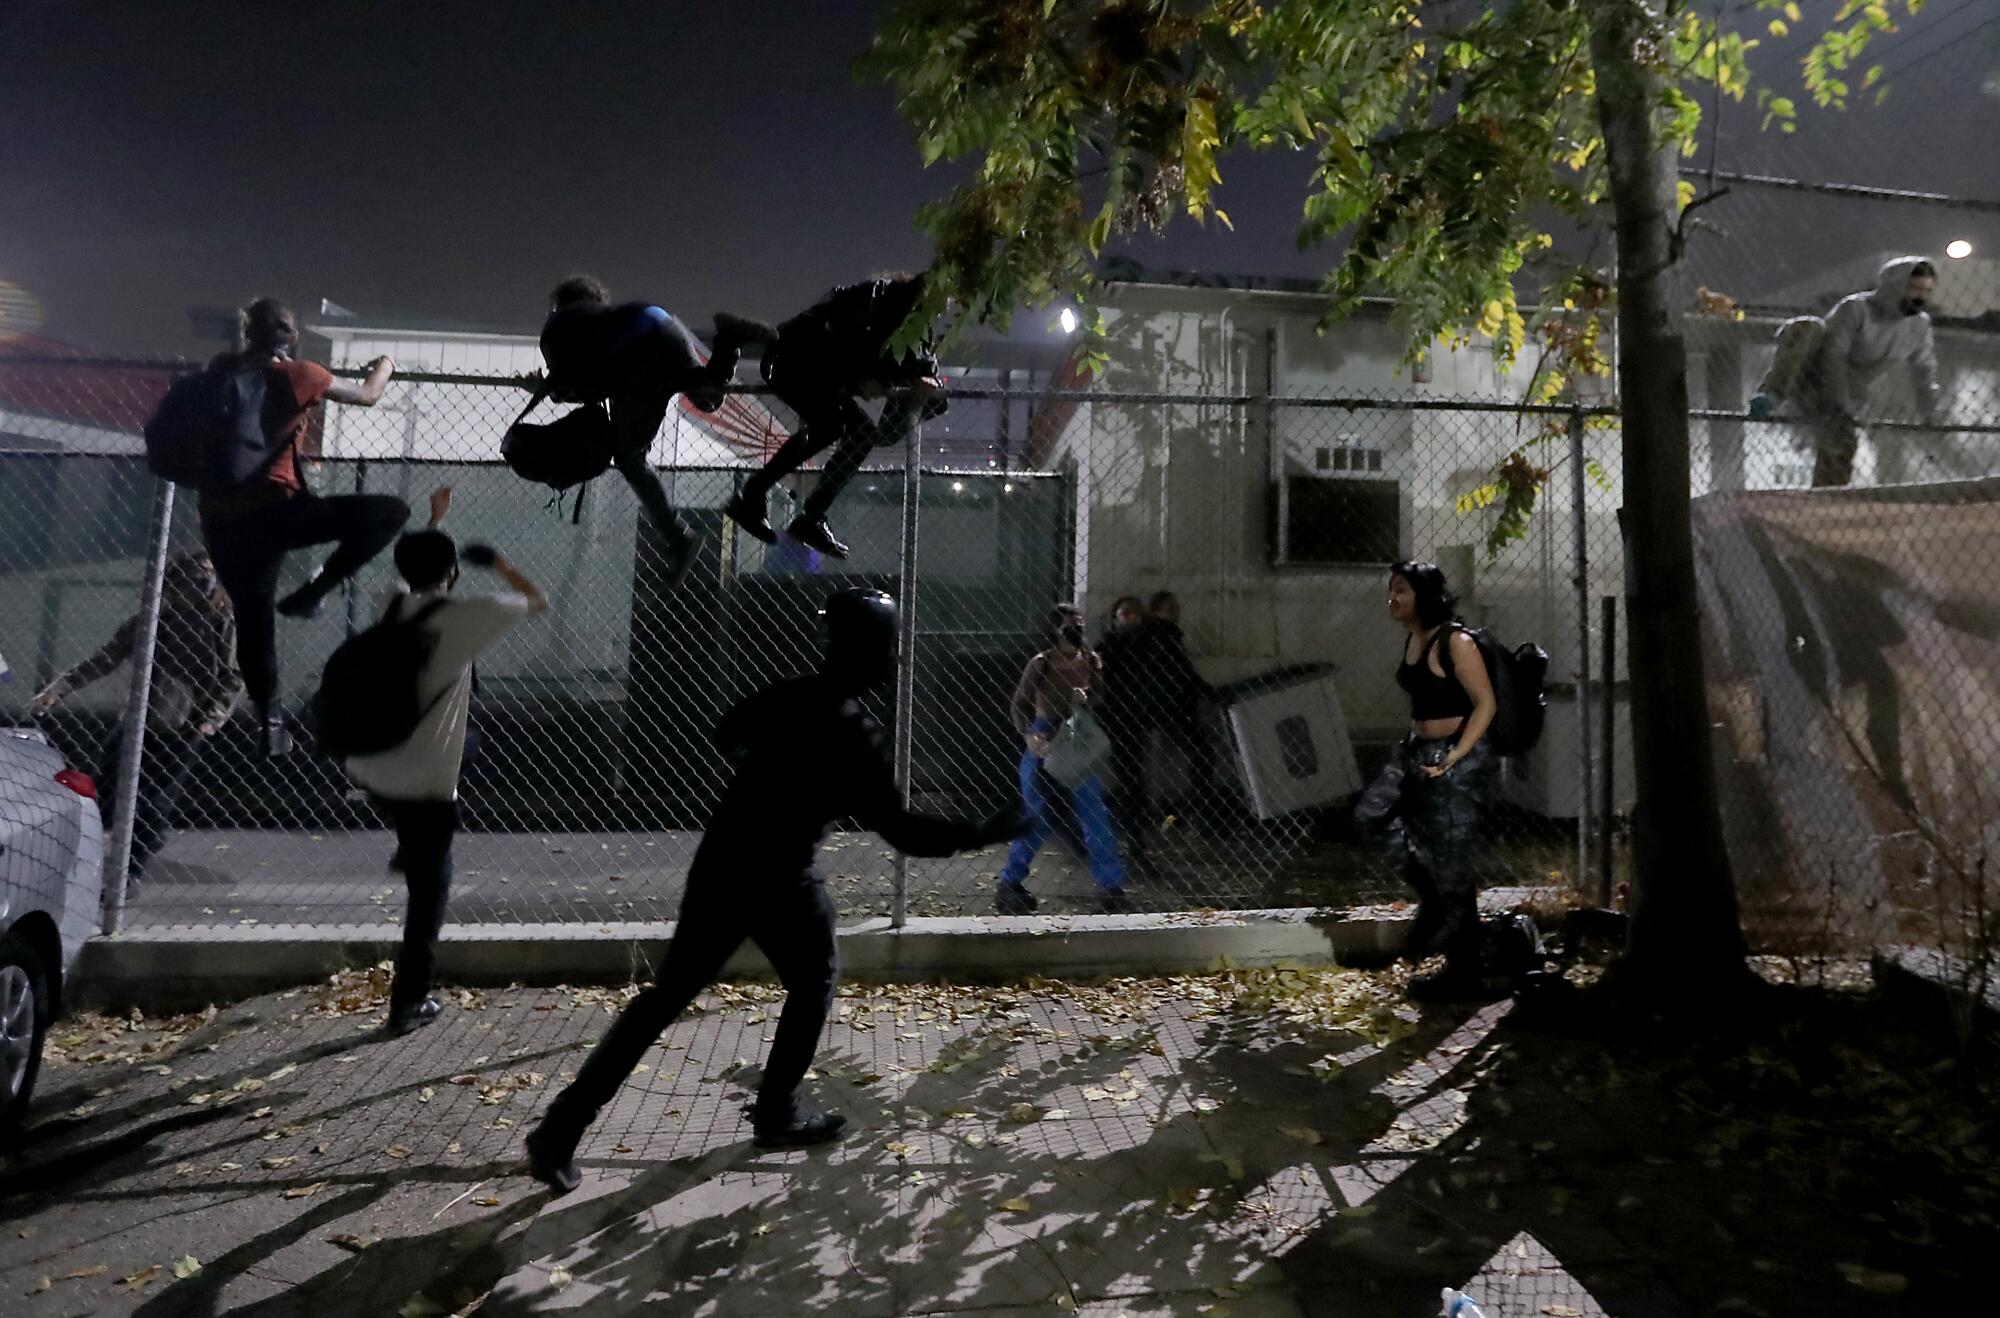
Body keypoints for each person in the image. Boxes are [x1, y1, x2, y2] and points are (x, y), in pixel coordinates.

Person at [524, 589, 1025, 1192]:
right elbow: (898, 828)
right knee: (814, 982)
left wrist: (774, 773)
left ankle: (561, 1128)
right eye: (891, 649)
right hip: (783, 877)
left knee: (666, 998)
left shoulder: (789, 693)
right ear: (875, 654)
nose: (895, 662)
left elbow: (725, 733)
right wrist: (979, 832)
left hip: (723, 862)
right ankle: (776, 1111)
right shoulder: (856, 728)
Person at [342, 513, 545, 1036]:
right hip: (427, 785)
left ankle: (409, 845)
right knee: (430, 892)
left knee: (469, 746)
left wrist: (433, 523)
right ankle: (410, 1000)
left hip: (373, 769)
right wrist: (496, 562)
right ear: (452, 572)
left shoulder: (390, 603)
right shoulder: (465, 617)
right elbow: (536, 598)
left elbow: (409, 572)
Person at [198, 297, 409, 757]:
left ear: (247, 331)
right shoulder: (301, 374)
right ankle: (316, 591)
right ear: (290, 335)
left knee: (253, 619)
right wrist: (387, 364)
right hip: (276, 509)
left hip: (220, 519)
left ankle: (269, 724)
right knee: (389, 512)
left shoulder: (218, 372)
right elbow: (368, 396)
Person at [27, 549, 242, 894]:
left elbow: (231, 677)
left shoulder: (221, 623)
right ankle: (83, 856)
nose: (204, 580)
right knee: (109, 794)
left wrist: (211, 718)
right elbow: (106, 657)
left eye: (209, 573)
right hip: (138, 721)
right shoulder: (153, 620)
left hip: (182, 729)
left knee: (151, 803)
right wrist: (60, 688)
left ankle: (129, 872)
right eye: (197, 572)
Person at [536, 276, 766, 589]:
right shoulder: (606, 318)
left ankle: (678, 538)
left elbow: (581, 385)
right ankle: (728, 344)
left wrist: (549, 390)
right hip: (660, 321)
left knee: (630, 457)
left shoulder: (558, 326)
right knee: (707, 396)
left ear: (558, 304)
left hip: (635, 355)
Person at [1351, 562, 1500, 1002]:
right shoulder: (1413, 639)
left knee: (1453, 862)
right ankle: (1432, 900)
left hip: (1456, 755)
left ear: (1425, 595)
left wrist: (1457, 754)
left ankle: (1464, 971)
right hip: (1415, 750)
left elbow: (1485, 703)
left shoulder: (1456, 641)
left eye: (1401, 590)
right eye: (1390, 590)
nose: (1391, 598)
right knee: (1370, 816)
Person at [721, 273, 947, 560]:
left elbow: (923, 367)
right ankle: (756, 497)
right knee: (829, 426)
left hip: (816, 372)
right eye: (943, 299)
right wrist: (863, 378)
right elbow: (845, 342)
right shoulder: (878, 301)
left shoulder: (913, 321)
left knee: (857, 432)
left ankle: (806, 516)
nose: (945, 308)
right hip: (790, 361)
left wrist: (926, 384)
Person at [1747, 255, 1943, 488]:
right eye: (1913, 288)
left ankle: (1826, 502)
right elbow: (1833, 356)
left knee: (1839, 448)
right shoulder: (1856, 308)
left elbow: (1924, 371)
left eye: (1926, 290)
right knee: (1807, 326)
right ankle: (1772, 394)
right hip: (1809, 372)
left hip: (1852, 389)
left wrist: (1930, 411)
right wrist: (1839, 403)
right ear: (1895, 285)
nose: (1920, 296)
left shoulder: (1918, 326)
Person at [995, 603, 1128, 915]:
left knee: (1093, 812)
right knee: (1037, 812)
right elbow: (1018, 703)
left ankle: (1111, 886)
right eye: (1069, 625)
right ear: (1055, 629)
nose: (1076, 630)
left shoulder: (1090, 660)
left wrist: (1085, 698)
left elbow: (1100, 696)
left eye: (1079, 624)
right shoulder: (1042, 663)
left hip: (1075, 736)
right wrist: (1028, 734)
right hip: (1045, 735)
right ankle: (1009, 883)